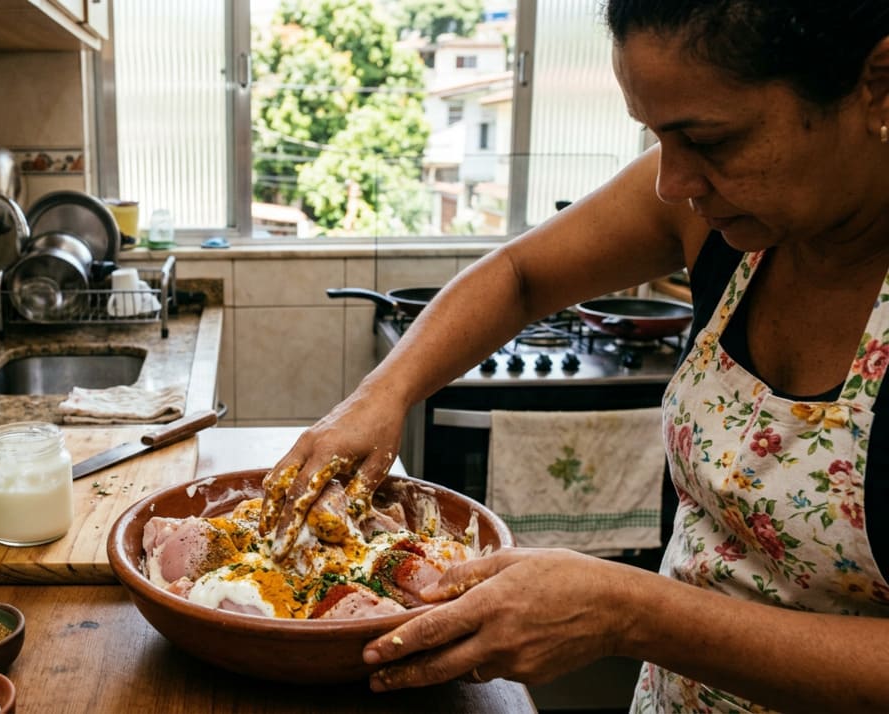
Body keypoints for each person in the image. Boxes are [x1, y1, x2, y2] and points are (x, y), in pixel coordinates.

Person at [256, 1, 889, 711]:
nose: (669, 182)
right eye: (656, 136)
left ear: (879, 86)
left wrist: (634, 612)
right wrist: (381, 393)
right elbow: (520, 275)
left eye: (708, 139)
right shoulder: (707, 211)